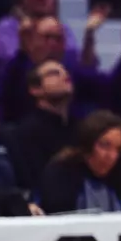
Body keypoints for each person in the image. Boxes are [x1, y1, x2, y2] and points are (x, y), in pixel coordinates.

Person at [41, 109, 121, 213]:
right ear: (88, 143)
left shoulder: (118, 177)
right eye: (105, 145)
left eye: (118, 149)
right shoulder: (61, 174)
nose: (112, 156)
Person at [8, 59, 75, 190]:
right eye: (54, 73)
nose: (65, 76)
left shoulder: (79, 127)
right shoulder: (26, 132)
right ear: (35, 89)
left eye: (65, 72)